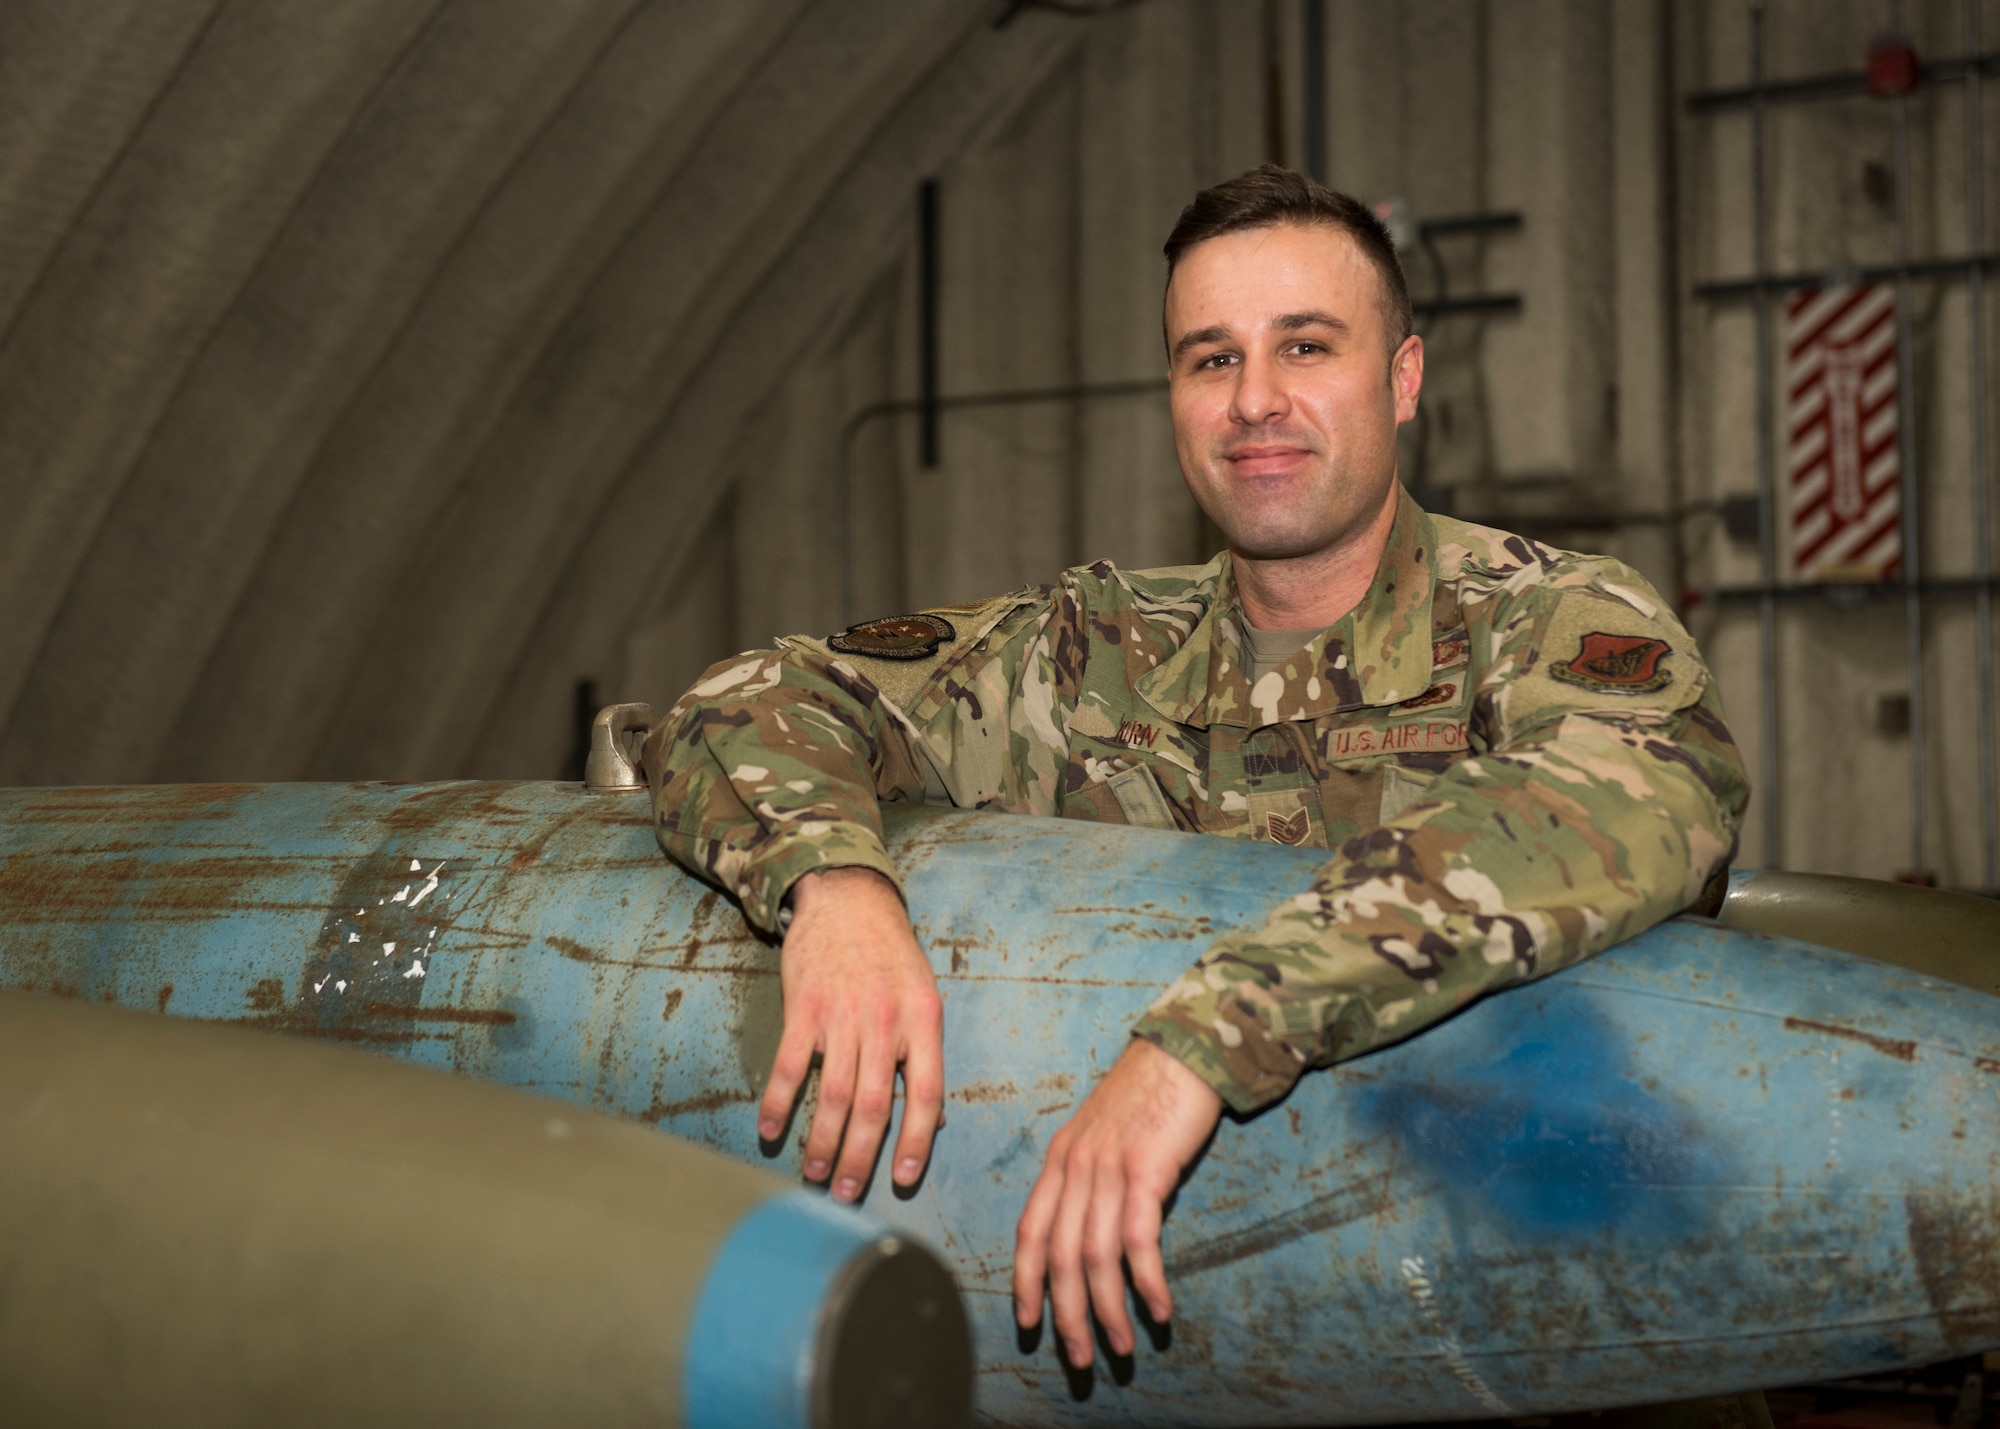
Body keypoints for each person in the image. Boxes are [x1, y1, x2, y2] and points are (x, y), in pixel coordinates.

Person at [643, 165, 1748, 1374]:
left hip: (1535, 1348)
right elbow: (742, 701)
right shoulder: (1084, 656)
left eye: (1306, 347)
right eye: (1209, 358)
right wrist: (833, 887)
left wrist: (1206, 1038)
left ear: (1404, 376)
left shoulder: (1540, 618)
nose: (1253, 402)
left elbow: (1631, 793)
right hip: (1194, 1363)